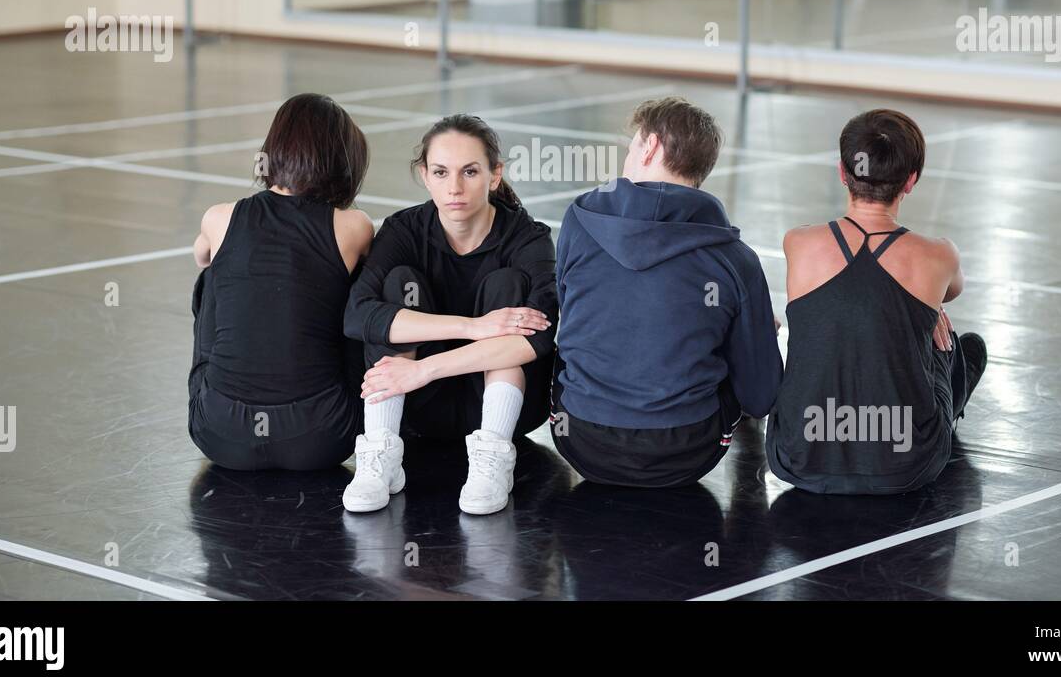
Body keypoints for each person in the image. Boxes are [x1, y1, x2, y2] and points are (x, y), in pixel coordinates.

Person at [550, 96, 783, 487]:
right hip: (685, 453)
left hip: (580, 440)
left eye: (631, 148)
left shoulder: (579, 220)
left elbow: (568, 309)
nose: (626, 160)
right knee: (736, 340)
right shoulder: (735, 258)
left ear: (651, 146)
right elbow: (761, 398)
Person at [341, 114, 558, 516]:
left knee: (506, 286)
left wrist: (425, 369)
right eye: (441, 172)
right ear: (425, 175)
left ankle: (492, 458)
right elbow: (358, 315)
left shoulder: (528, 237)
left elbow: (539, 337)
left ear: (495, 175)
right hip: (416, 407)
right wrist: (472, 327)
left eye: (470, 172)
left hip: (501, 404)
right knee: (399, 284)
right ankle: (381, 455)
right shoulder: (404, 230)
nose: (454, 188)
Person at [767, 108, 987, 494]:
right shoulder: (941, 255)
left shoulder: (798, 243)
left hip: (798, 456)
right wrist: (928, 305)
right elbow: (951, 292)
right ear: (911, 181)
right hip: (907, 464)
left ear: (841, 172)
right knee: (957, 343)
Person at [189, 93, 374, 470]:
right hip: (322, 438)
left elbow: (201, 256)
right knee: (359, 288)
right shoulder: (354, 225)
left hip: (221, 437)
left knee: (212, 277)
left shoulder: (219, 216)